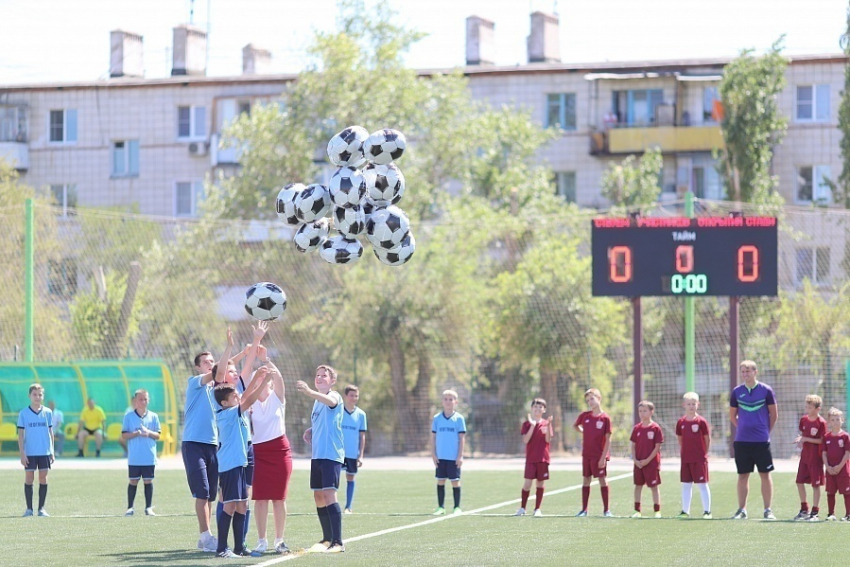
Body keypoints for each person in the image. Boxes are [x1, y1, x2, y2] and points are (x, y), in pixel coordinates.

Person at [181, 330, 238, 553]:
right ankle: (206, 537)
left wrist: (242, 349)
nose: (210, 364)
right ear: (198, 367)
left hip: (213, 445)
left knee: (211, 495)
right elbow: (220, 371)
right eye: (205, 362)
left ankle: (206, 537)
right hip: (193, 444)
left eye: (211, 361)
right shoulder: (195, 382)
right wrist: (229, 347)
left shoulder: (217, 390)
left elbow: (226, 370)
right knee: (202, 492)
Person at [214, 362, 272, 558]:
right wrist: (266, 383)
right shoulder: (227, 414)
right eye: (233, 397)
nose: (237, 397)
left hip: (239, 464)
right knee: (229, 505)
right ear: (224, 402)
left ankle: (239, 547)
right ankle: (222, 549)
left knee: (242, 505)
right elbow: (249, 400)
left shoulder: (232, 409)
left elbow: (245, 397)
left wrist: (256, 379)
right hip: (230, 465)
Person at [298, 365, 346, 554]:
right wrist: (311, 430)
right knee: (318, 496)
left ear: (332, 381)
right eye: (317, 375)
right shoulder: (317, 402)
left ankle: (338, 542)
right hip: (317, 455)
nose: (319, 378)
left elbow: (330, 403)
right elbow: (324, 419)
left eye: (324, 376)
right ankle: (326, 539)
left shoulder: (335, 396)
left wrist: (309, 391)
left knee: (329, 495)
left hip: (331, 454)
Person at [250, 357, 293, 555]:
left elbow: (279, 377)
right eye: (256, 378)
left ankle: (279, 540)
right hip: (258, 452)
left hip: (279, 451)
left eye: (263, 378)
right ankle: (261, 541)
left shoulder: (277, 397)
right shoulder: (249, 403)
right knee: (259, 498)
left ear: (268, 381)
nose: (260, 381)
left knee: (278, 498)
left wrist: (265, 358)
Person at [729, 360, 778, 520]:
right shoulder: (737, 392)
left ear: (755, 372)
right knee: (743, 476)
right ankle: (742, 510)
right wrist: (742, 427)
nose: (745, 374)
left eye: (748, 371)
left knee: (765, 474)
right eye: (742, 371)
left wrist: (764, 431)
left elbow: (774, 414)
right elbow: (732, 415)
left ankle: (768, 510)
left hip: (761, 441)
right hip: (742, 441)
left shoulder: (766, 390)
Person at [122, 389, 161, 517]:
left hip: (148, 456)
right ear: (135, 401)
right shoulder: (128, 417)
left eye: (145, 399)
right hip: (134, 457)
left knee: (148, 481)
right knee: (133, 481)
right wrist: (135, 433)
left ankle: (148, 508)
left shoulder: (153, 416)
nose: (143, 402)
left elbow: (158, 435)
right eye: (140, 399)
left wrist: (148, 433)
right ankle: (130, 508)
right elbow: (124, 435)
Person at [574, 388, 612, 517]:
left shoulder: (605, 418)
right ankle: (584, 510)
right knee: (586, 480)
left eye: (592, 398)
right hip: (587, 455)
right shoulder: (585, 416)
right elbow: (575, 425)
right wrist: (583, 431)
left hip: (599, 455)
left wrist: (603, 458)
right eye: (587, 400)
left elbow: (608, 440)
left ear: (599, 398)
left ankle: (606, 510)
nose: (590, 402)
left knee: (602, 480)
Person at [18, 383, 54, 517]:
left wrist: (52, 451)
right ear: (29, 396)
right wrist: (22, 453)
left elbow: (51, 432)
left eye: (40, 395)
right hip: (30, 452)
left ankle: (41, 509)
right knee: (29, 478)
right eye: (34, 394)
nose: (37, 397)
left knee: (43, 478)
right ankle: (29, 509)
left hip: (44, 451)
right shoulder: (24, 413)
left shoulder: (48, 412)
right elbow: (20, 435)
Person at [676, 392, 712, 519]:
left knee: (702, 484)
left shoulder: (701, 421)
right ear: (684, 405)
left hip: (699, 458)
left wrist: (703, 453)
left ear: (698, 405)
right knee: (686, 485)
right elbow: (680, 438)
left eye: (693, 404)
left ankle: (707, 511)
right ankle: (685, 511)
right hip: (686, 458)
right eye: (689, 404)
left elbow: (707, 438)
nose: (691, 406)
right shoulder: (681, 422)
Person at [431, 389, 466, 516]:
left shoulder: (459, 419)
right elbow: (433, 437)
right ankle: (441, 507)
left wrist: (460, 455)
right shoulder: (437, 419)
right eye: (445, 399)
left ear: (455, 402)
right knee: (440, 480)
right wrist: (433, 454)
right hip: (440, 456)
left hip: (453, 457)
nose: (448, 401)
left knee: (455, 481)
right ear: (442, 401)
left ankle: (457, 507)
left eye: (451, 399)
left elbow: (462, 438)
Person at [515, 398, 552, 517]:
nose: (537, 409)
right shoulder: (526, 424)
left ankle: (537, 509)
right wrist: (533, 425)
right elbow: (526, 440)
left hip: (543, 458)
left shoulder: (546, 423)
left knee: (540, 484)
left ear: (544, 410)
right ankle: (522, 508)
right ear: (531, 409)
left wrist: (549, 425)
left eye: (540, 407)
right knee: (527, 484)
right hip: (531, 459)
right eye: (535, 406)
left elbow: (547, 440)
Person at [793, 394, 826, 521]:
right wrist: (800, 441)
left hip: (816, 459)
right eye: (806, 406)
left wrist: (805, 439)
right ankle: (804, 509)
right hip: (805, 457)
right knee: (799, 481)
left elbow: (822, 441)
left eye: (810, 407)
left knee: (815, 485)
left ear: (818, 409)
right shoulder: (804, 420)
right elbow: (803, 434)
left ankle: (815, 512)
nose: (807, 409)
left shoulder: (821, 423)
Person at [630, 401, 663, 518]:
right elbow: (633, 446)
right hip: (638, 463)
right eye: (640, 411)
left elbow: (657, 447)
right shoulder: (637, 428)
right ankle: (637, 510)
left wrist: (648, 460)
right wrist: (635, 459)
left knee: (654, 487)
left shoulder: (655, 428)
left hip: (651, 463)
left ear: (651, 412)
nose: (642, 413)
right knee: (638, 486)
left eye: (645, 411)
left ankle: (657, 510)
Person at [341, 384, 367, 514]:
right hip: (338, 452)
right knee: (333, 478)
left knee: (350, 477)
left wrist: (360, 455)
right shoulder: (338, 411)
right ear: (346, 396)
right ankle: (330, 505)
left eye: (356, 395)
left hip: (352, 453)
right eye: (351, 395)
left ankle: (348, 506)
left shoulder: (361, 414)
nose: (354, 398)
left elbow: (362, 436)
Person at [822, 408, 850, 521]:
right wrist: (828, 467)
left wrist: (839, 466)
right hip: (830, 470)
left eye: (838, 419)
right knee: (830, 492)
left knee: (847, 492)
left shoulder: (845, 436)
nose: (835, 422)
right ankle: (831, 514)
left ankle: (848, 514)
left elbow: (847, 453)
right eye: (832, 420)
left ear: (842, 420)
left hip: (843, 470)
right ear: (829, 422)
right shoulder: (826, 437)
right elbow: (824, 454)